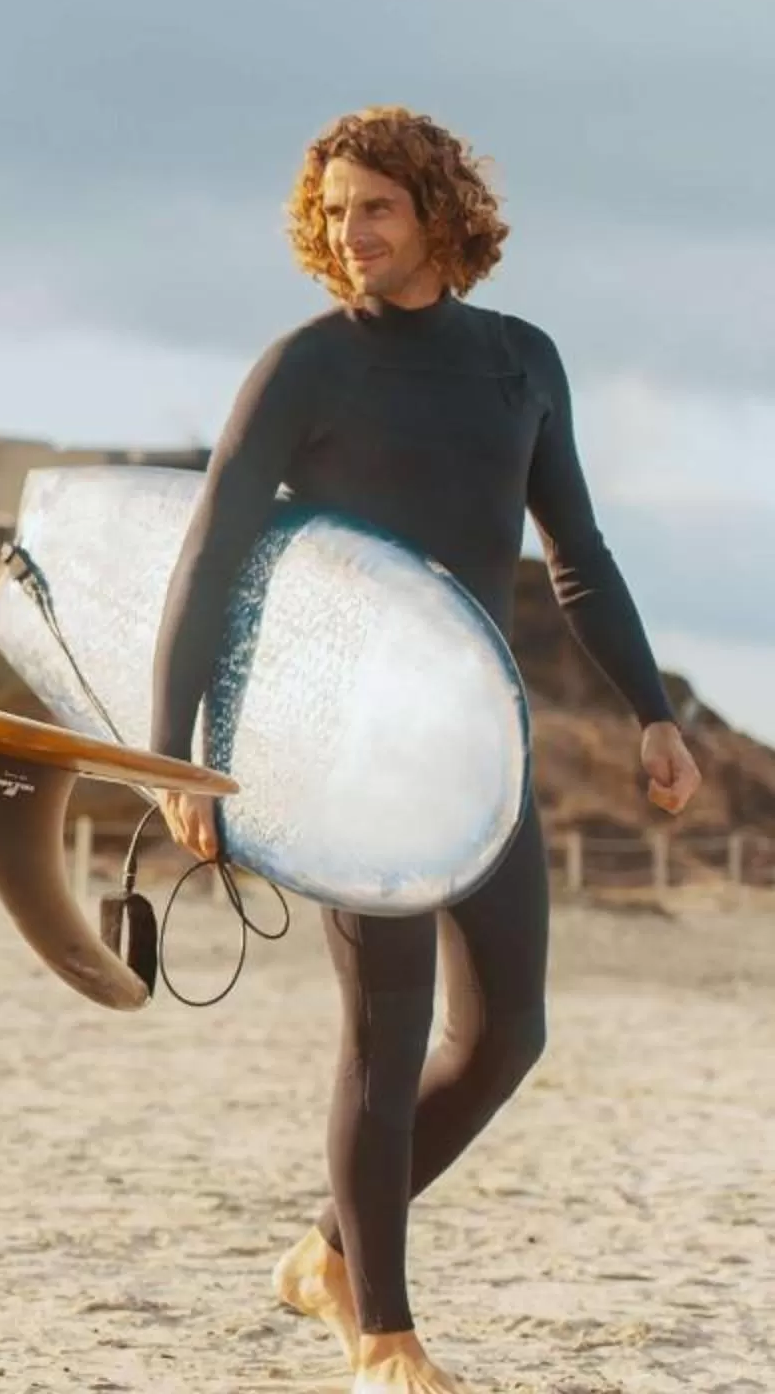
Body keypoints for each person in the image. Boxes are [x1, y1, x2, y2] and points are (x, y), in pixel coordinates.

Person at [151, 108, 702, 1394]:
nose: (351, 235)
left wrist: (652, 708)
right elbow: (209, 552)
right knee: (384, 1035)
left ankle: (329, 1252)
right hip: (345, 737)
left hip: (476, 732)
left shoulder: (522, 363)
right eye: (334, 212)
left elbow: (576, 554)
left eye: (376, 209)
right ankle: (385, 1336)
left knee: (508, 1033)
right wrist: (172, 755)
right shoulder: (306, 366)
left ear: (439, 213)